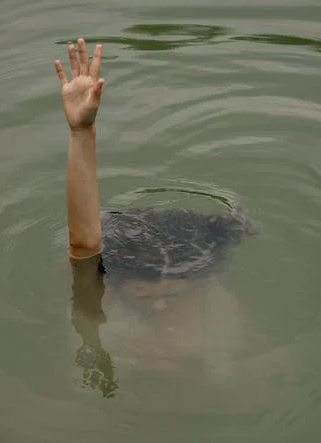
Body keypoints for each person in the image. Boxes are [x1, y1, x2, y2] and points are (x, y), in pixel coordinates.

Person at [55, 39, 247, 397]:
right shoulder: (103, 294)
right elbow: (84, 244)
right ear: (118, 283)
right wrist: (81, 133)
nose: (159, 304)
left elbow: (226, 383)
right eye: (145, 297)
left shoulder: (215, 307)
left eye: (171, 295)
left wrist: (179, 368)